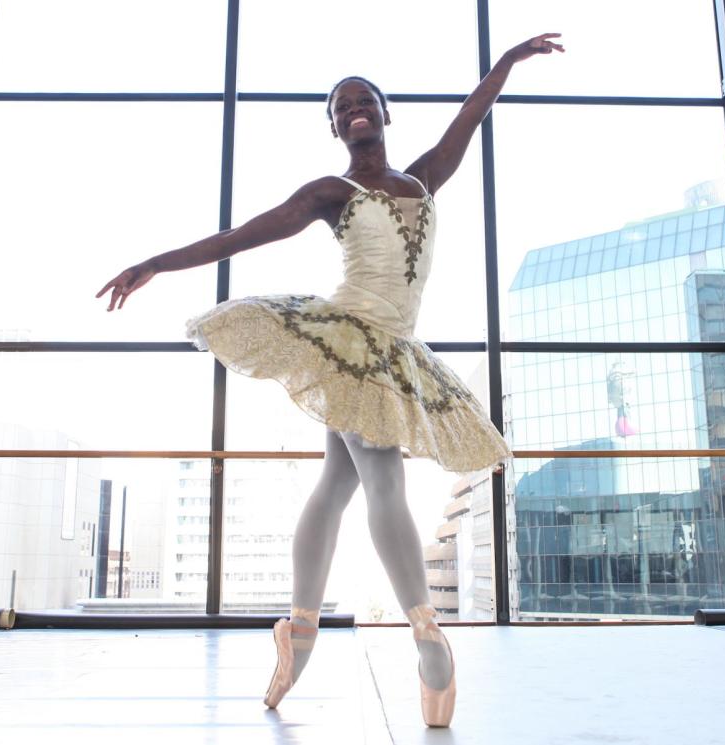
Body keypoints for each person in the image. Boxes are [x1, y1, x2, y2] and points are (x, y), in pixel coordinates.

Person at [97, 33, 563, 728]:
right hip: (346, 339)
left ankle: (302, 627)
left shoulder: (425, 177)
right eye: (341, 107)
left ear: (384, 112)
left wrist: (506, 63)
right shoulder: (330, 193)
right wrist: (158, 262)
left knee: (336, 482)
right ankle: (426, 630)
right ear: (336, 126)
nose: (354, 111)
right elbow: (242, 234)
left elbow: (471, 115)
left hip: (397, 348)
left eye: (364, 101)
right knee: (381, 478)